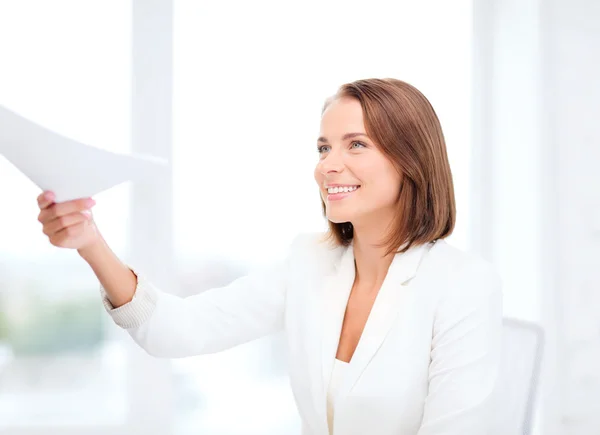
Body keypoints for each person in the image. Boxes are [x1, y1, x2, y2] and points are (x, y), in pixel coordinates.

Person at [36, 78, 503, 435]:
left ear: (411, 159)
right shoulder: (309, 262)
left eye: (355, 144)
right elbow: (178, 330)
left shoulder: (462, 283)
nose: (328, 164)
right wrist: (90, 242)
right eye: (324, 147)